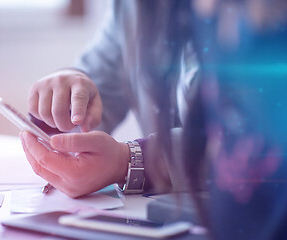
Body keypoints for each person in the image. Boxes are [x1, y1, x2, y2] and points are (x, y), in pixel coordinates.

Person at [20, 0, 287, 239]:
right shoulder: (132, 7)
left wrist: (132, 160)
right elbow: (96, 85)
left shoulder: (259, 16)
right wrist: (64, 98)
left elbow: (240, 136)